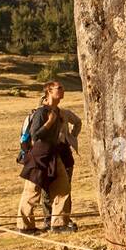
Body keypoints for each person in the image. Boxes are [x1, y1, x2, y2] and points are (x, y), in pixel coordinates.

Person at [17, 80, 75, 233]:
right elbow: (35, 135)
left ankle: (59, 225)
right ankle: (25, 227)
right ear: (49, 91)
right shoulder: (42, 112)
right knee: (32, 192)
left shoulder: (57, 111)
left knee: (63, 188)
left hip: (53, 155)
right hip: (39, 155)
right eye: (59, 88)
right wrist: (49, 122)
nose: (62, 90)